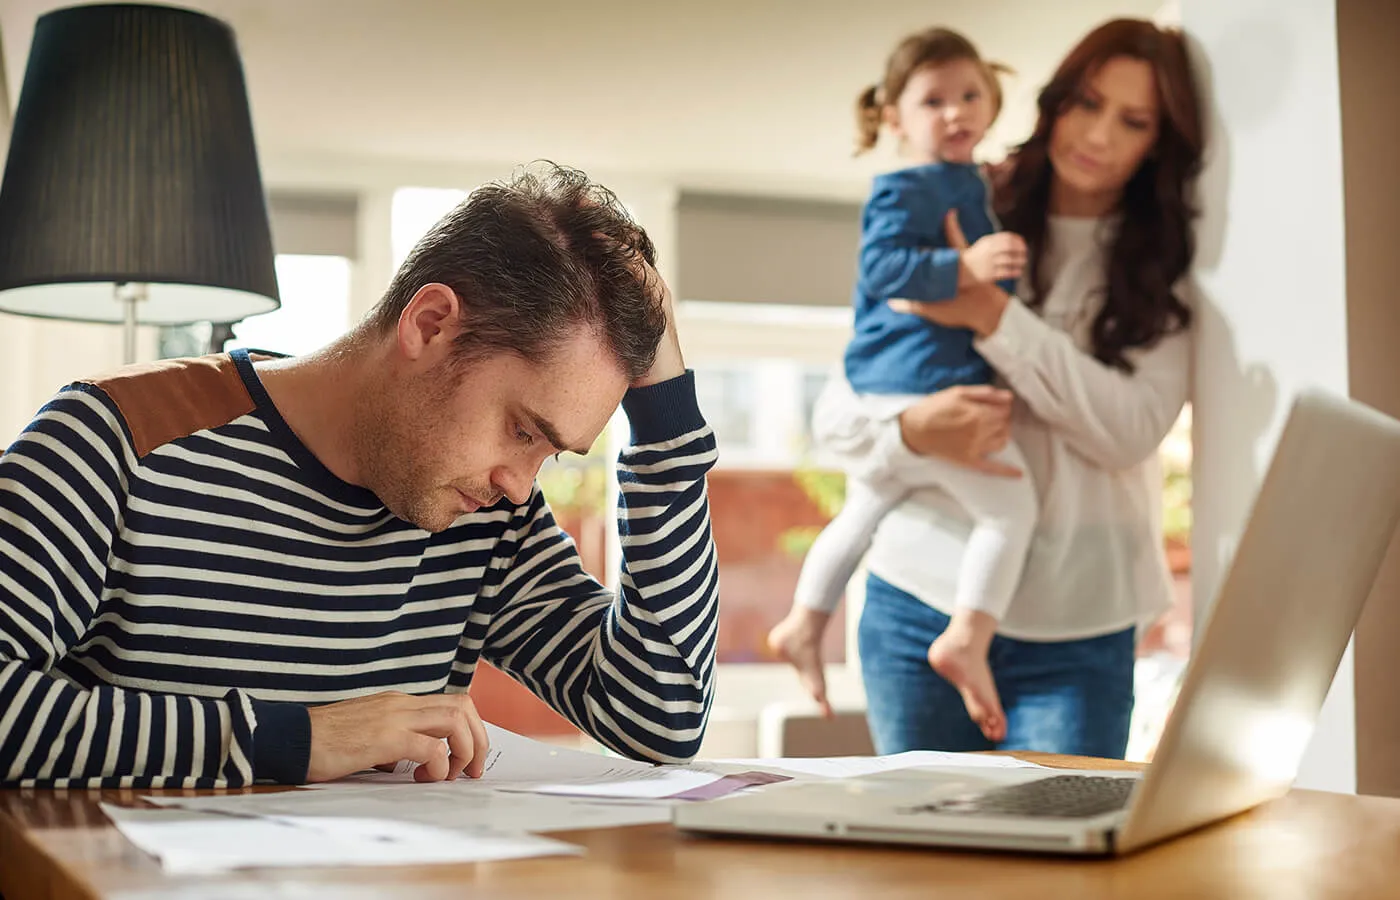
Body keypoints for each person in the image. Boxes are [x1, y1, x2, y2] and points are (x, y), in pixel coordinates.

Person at [0, 163, 719, 788]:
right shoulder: (115, 438)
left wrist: (666, 428)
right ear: (431, 323)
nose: (522, 485)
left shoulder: (486, 517)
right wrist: (293, 740)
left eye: (550, 451)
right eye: (523, 429)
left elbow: (658, 720)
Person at [782, 18, 1204, 759]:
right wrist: (910, 433)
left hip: (1079, 627)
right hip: (917, 600)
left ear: (1158, 143)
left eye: (1132, 121)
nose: (1098, 134)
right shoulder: (964, 204)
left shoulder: (1162, 265)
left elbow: (1129, 431)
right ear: (1053, 104)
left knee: (1059, 867)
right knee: (923, 870)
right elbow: (844, 409)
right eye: (1085, 102)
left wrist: (992, 315)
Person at [767, 27, 1035, 741]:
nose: (956, 112)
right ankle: (966, 639)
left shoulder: (966, 180)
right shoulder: (903, 185)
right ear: (895, 118)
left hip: (903, 383)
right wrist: (969, 267)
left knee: (866, 505)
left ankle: (805, 621)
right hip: (909, 380)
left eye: (971, 95)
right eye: (933, 101)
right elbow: (883, 270)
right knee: (1010, 510)